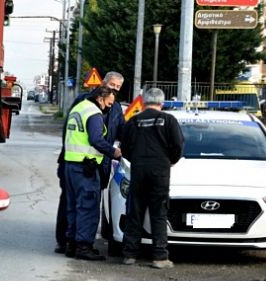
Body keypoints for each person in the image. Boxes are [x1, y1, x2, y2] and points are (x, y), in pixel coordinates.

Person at [55, 72, 125, 254]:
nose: (114, 89)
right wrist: (114, 152)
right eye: (112, 85)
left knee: (78, 204)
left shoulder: (114, 108)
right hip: (83, 164)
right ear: (103, 86)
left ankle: (73, 242)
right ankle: (75, 244)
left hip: (93, 163)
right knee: (84, 205)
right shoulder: (87, 104)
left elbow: (121, 132)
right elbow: (93, 138)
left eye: (118, 87)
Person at [120, 88, 184, 269]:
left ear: (143, 102)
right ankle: (159, 257)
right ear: (162, 103)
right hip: (160, 171)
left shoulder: (134, 121)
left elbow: (125, 148)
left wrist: (137, 161)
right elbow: (178, 145)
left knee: (135, 212)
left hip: (139, 170)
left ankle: (129, 255)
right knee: (159, 214)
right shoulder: (169, 120)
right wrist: (169, 161)